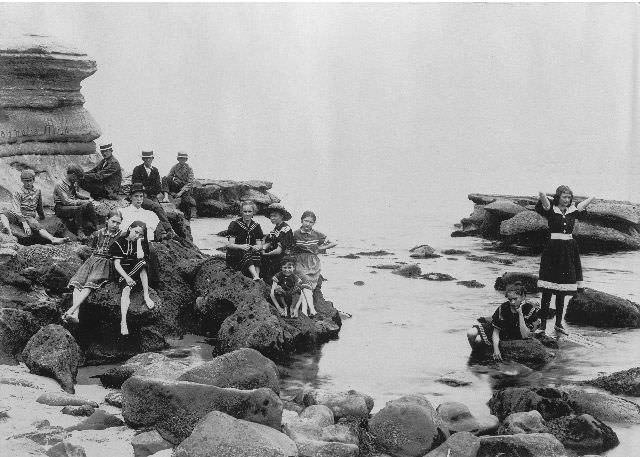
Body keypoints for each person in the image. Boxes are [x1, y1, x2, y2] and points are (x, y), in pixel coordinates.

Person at [536, 186, 594, 335]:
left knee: (561, 290)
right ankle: (542, 325)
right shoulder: (551, 209)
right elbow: (543, 198)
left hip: (568, 252)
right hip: (552, 251)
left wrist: (592, 197)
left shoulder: (573, 210)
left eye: (569, 197)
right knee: (548, 290)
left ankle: (558, 324)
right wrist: (543, 194)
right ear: (558, 197)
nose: (567, 200)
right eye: (564, 197)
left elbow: (582, 206)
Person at [62, 210, 123, 324]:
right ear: (107, 220)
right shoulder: (98, 233)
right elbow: (91, 249)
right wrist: (89, 262)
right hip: (92, 260)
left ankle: (71, 309)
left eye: (118, 223)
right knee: (77, 283)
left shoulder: (121, 235)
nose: (115, 225)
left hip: (106, 262)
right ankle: (75, 315)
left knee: (90, 284)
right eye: (113, 221)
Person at [467, 283, 541, 361]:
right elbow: (496, 331)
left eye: (515, 299)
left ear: (523, 297)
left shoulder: (529, 309)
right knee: (471, 333)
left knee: (479, 340)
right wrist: (496, 350)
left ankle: (483, 350)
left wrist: (520, 313)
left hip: (517, 333)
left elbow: (525, 335)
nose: (512, 302)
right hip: (503, 332)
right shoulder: (503, 308)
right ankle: (475, 353)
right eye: (510, 299)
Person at [109, 220, 155, 336]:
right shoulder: (118, 243)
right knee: (126, 291)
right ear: (130, 228)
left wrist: (139, 241)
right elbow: (117, 265)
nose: (137, 235)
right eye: (136, 232)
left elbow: (140, 257)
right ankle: (123, 322)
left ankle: (146, 295)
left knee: (143, 264)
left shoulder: (137, 242)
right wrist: (127, 278)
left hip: (134, 270)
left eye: (140, 234)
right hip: (121, 272)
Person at [3, 170, 67, 244]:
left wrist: (42, 216)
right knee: (3, 213)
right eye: (26, 181)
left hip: (29, 216)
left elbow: (39, 206)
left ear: (33, 180)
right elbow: (16, 209)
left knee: (36, 225)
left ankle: (52, 239)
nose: (28, 183)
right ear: (22, 181)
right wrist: (24, 223)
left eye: (30, 180)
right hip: (18, 214)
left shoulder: (37, 191)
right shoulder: (18, 192)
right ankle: (7, 230)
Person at [292, 210, 337, 317]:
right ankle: (311, 309)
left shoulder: (317, 234)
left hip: (313, 263)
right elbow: (290, 247)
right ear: (301, 221)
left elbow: (334, 242)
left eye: (311, 222)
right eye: (306, 221)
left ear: (314, 223)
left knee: (306, 286)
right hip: (300, 261)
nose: (308, 224)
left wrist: (320, 248)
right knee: (305, 282)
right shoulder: (295, 234)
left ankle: (304, 310)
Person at [131, 150, 173, 232]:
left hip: (152, 196)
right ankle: (168, 230)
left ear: (152, 158)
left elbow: (158, 188)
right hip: (141, 197)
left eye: (149, 158)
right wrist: (148, 189)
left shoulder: (155, 170)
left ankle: (166, 231)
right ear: (143, 159)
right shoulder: (137, 169)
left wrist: (145, 188)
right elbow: (136, 186)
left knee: (159, 210)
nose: (147, 160)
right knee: (156, 207)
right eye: (145, 158)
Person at [53, 165, 98, 240]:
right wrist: (81, 202)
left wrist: (87, 198)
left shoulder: (72, 182)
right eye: (77, 177)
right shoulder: (60, 184)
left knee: (89, 204)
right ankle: (79, 231)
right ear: (73, 175)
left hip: (71, 205)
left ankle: (96, 225)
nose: (77, 180)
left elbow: (76, 193)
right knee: (78, 209)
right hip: (61, 207)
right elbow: (66, 201)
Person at [225, 201, 264, 280]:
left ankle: (257, 276)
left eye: (250, 211)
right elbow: (230, 245)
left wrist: (257, 247)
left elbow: (260, 245)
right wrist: (241, 246)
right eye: (245, 211)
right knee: (246, 251)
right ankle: (254, 275)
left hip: (250, 254)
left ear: (253, 213)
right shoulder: (235, 224)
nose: (247, 214)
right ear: (241, 212)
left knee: (256, 252)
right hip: (236, 254)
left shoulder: (256, 226)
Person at [261, 203, 294, 282]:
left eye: (275, 216)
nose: (272, 218)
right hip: (274, 255)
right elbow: (269, 242)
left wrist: (266, 254)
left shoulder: (285, 229)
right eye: (271, 216)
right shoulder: (276, 229)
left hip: (282, 257)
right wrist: (262, 248)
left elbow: (279, 250)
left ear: (282, 216)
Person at [161, 151, 195, 220]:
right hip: (177, 185)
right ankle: (166, 196)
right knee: (165, 178)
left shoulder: (189, 168)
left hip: (185, 188)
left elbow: (190, 183)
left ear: (186, 160)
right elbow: (169, 177)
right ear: (178, 159)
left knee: (186, 201)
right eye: (180, 158)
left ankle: (187, 217)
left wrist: (180, 193)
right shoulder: (175, 167)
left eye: (184, 159)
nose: (182, 160)